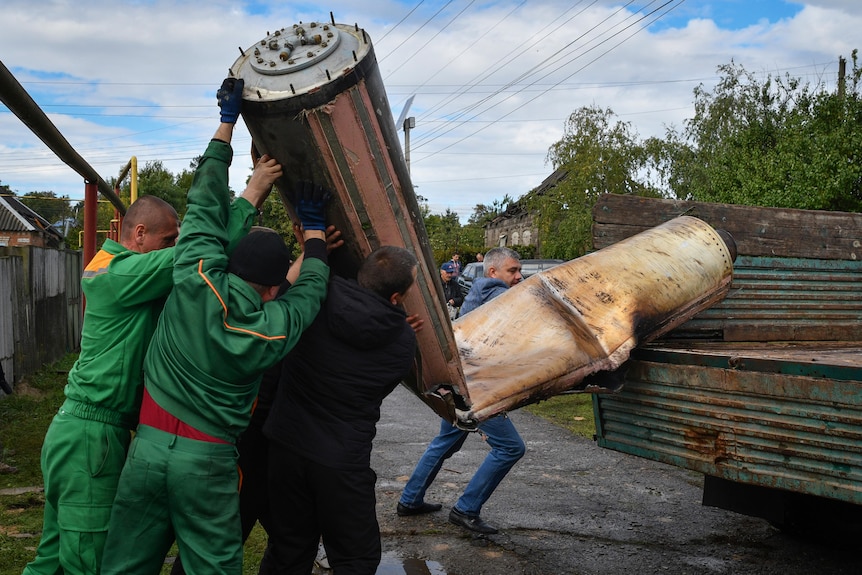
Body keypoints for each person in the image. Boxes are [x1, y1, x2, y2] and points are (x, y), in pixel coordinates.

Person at [99, 77, 333, 575]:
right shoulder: (270, 329)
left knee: (123, 564)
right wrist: (314, 237)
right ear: (273, 289)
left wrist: (226, 124)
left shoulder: (194, 273)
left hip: (146, 450)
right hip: (206, 464)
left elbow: (205, 202)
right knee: (212, 565)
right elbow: (308, 296)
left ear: (230, 264)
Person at [21, 195, 189, 575]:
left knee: (53, 559)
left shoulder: (110, 266)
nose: (173, 246)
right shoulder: (121, 274)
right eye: (168, 239)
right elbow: (194, 254)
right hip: (91, 439)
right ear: (140, 234)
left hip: (77, 431)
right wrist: (249, 197)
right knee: (90, 562)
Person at [259, 246, 420, 575]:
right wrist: (401, 328)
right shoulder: (403, 343)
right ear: (395, 298)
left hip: (286, 447)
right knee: (355, 558)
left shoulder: (313, 300)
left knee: (288, 548)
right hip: (342, 463)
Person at [397, 246, 526, 535]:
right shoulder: (496, 290)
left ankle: (410, 500)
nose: (519, 276)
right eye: (513, 270)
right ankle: (466, 509)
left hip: (462, 383)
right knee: (510, 448)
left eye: (519, 270)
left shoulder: (480, 289)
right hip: (478, 388)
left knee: (445, 442)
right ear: (493, 272)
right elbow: (525, 310)